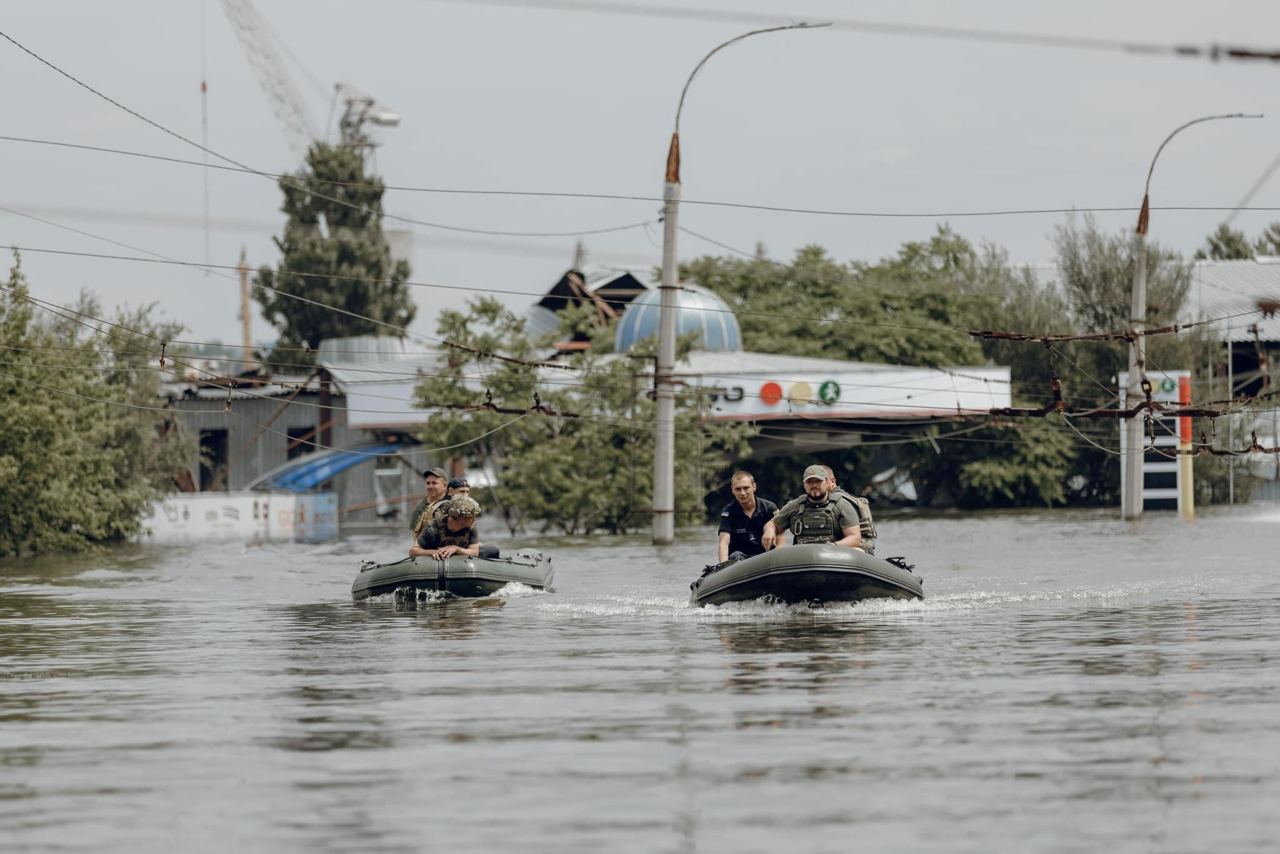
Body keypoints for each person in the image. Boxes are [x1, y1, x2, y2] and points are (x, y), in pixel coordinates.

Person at [761, 464, 862, 550]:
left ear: (827, 482)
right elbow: (772, 524)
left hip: (833, 556)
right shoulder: (795, 505)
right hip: (803, 558)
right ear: (804, 485)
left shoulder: (842, 505)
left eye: (818, 481)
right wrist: (769, 530)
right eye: (810, 482)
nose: (814, 485)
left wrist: (833, 546)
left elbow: (855, 538)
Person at [716, 471, 778, 563]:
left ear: (754, 487)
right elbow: (724, 543)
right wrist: (723, 565)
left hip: (766, 554)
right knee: (736, 556)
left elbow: (781, 535)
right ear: (732, 490)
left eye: (746, 488)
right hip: (739, 557)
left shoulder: (769, 508)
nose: (742, 493)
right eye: (738, 489)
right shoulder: (728, 512)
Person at [821, 465, 878, 555]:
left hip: (856, 552)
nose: (816, 485)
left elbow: (857, 539)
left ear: (832, 481)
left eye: (820, 481)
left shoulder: (843, 502)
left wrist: (832, 546)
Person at [410, 495, 484, 559]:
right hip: (436, 565)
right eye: (472, 517)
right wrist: (430, 552)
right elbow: (413, 551)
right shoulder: (433, 528)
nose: (474, 519)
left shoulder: (471, 526)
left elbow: (474, 552)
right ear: (461, 519)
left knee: (491, 551)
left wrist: (456, 549)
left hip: (462, 561)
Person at [409, 467, 449, 533]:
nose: (430, 486)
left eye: (434, 483)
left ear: (444, 486)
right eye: (428, 483)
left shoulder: (453, 503)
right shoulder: (420, 510)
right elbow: (416, 536)